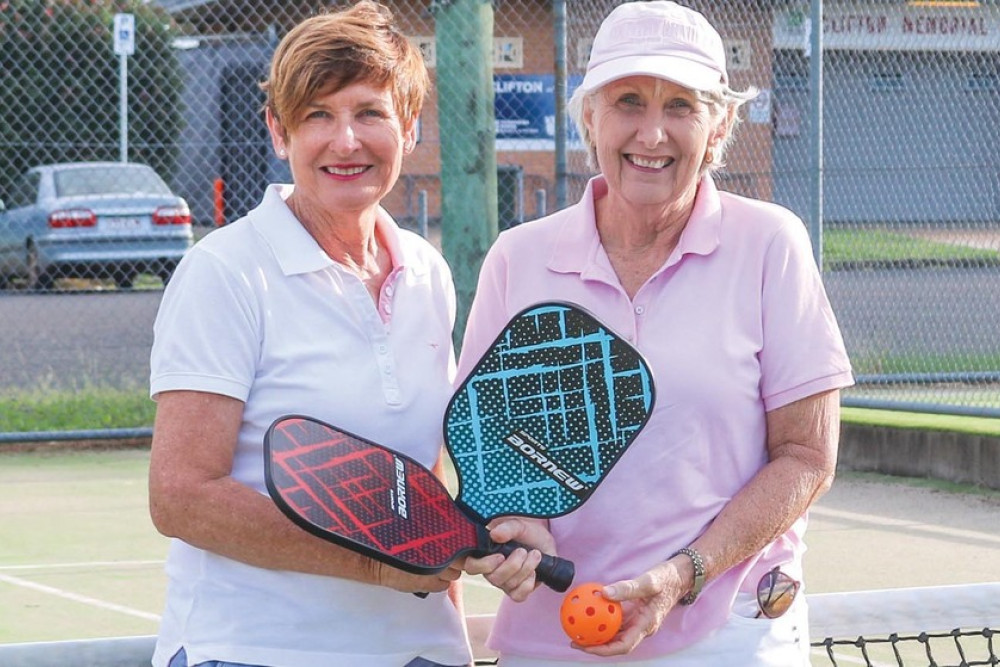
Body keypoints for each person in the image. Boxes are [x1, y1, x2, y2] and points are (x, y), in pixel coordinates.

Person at [459, 2, 854, 665]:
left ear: (720, 122)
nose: (652, 132)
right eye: (630, 102)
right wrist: (511, 525)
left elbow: (807, 457)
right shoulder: (517, 258)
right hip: (552, 635)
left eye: (680, 106)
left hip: (728, 631)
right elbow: (485, 454)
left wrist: (682, 576)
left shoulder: (769, 244)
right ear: (590, 116)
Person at [146, 3, 472, 666]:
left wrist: (452, 638)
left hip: (415, 650)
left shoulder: (427, 271)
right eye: (317, 115)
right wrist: (379, 568)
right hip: (251, 649)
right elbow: (181, 495)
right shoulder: (225, 271)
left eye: (370, 112)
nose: (345, 141)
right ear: (277, 131)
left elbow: (423, 476)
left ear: (409, 128)